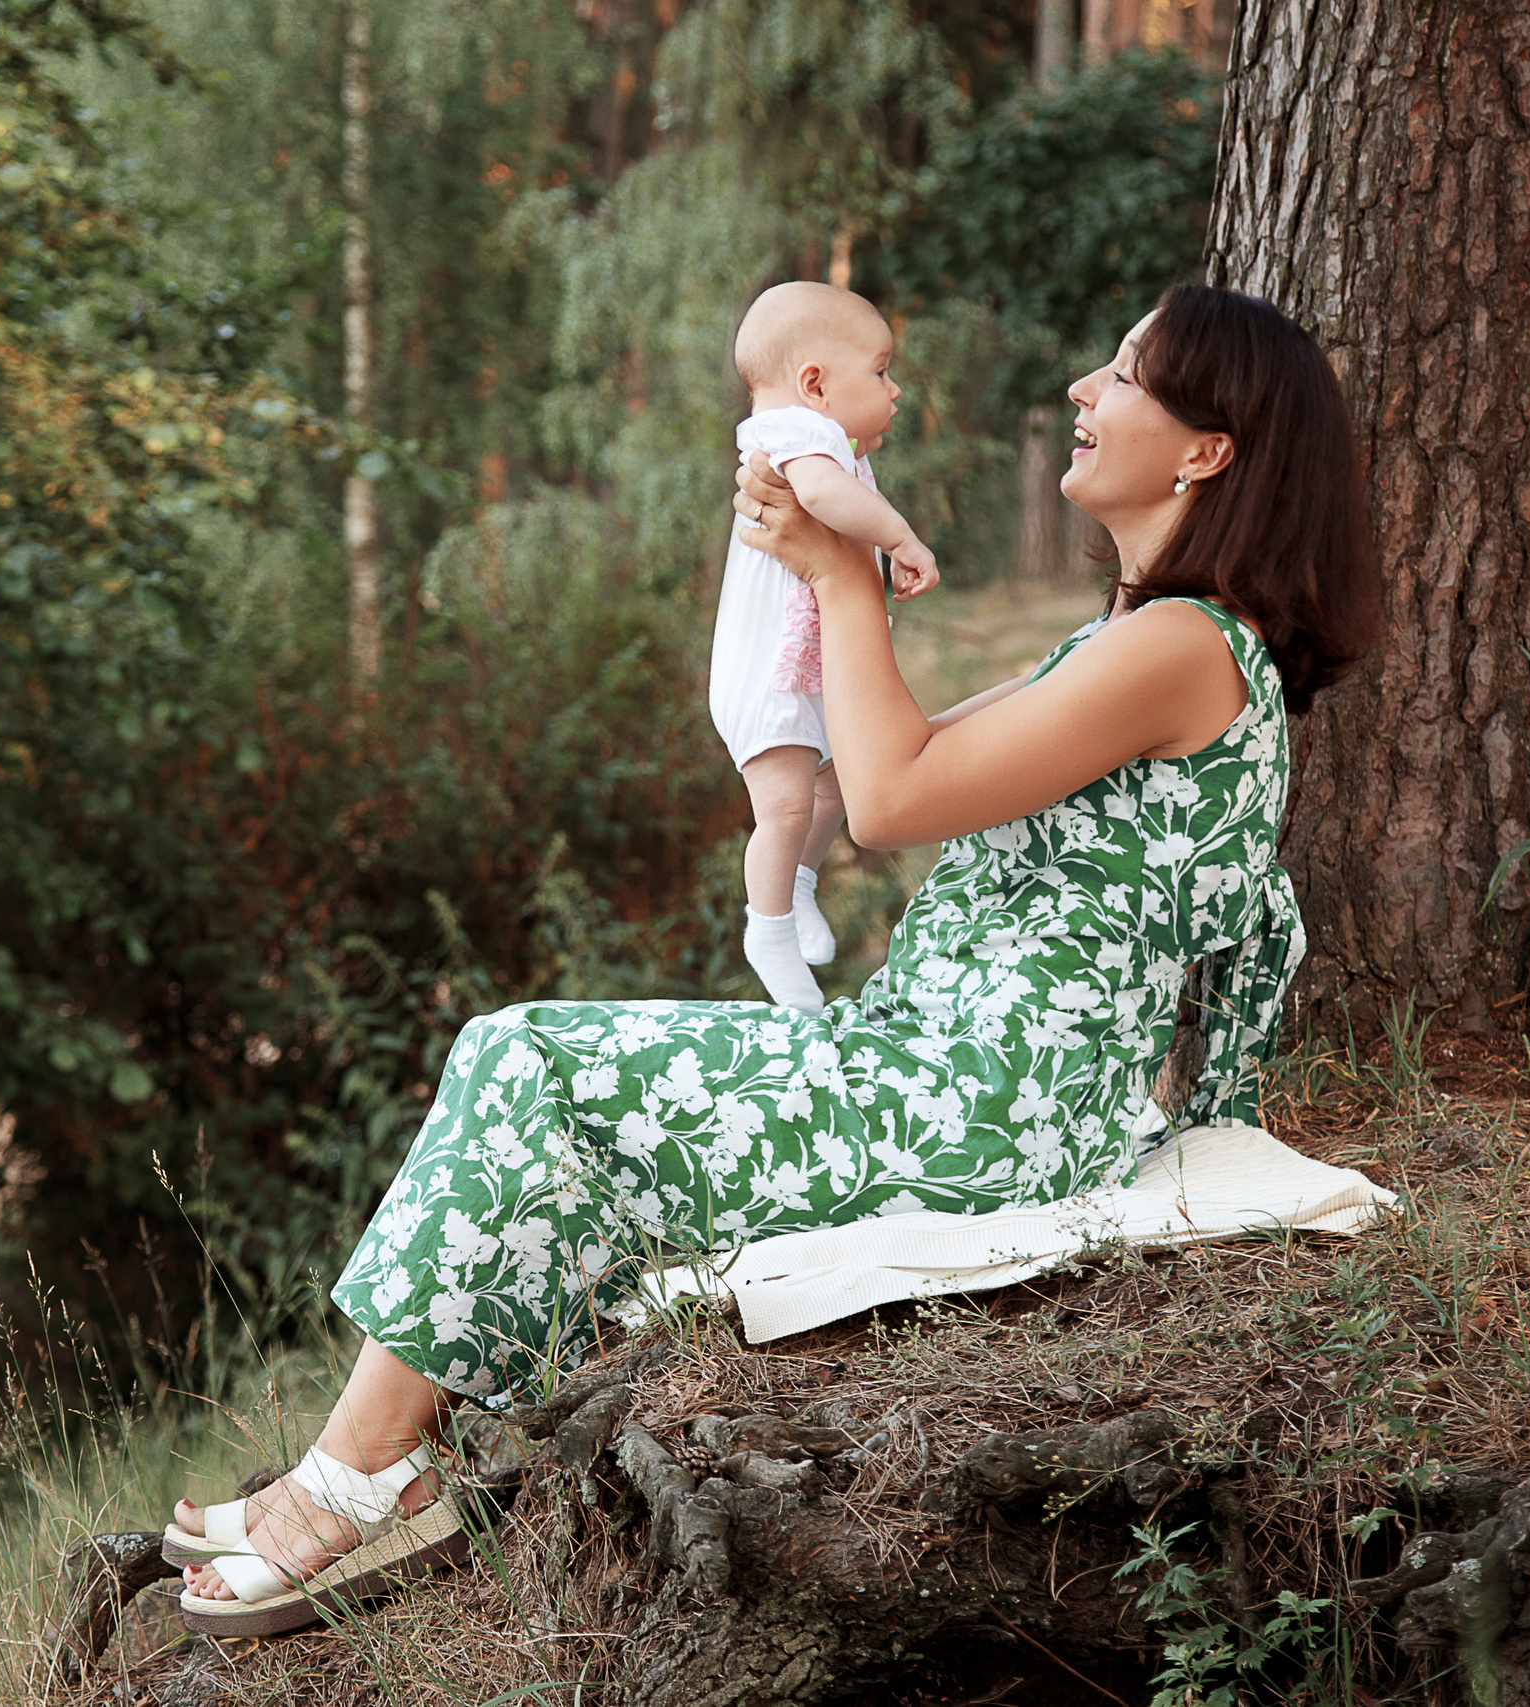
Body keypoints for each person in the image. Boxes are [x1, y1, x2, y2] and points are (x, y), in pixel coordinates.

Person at [164, 284, 1380, 1636]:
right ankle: (374, 1453)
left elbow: (900, 793)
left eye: (1125, 373)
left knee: (527, 1055)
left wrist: (839, 573)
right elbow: (884, 777)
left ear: (1207, 450)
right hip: (942, 1065)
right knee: (532, 1065)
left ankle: (360, 1473)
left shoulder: (1180, 643)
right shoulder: (1133, 639)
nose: (1083, 392)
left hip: (984, 1103)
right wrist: (805, 607)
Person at [710, 282, 941, 1012]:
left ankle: (800, 885)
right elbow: (823, 498)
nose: (895, 389)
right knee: (781, 808)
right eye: (879, 372)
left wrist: (860, 442)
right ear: (814, 384)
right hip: (769, 677)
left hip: (804, 670)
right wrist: (899, 534)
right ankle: (767, 928)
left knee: (835, 785)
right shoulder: (796, 439)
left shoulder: (815, 435)